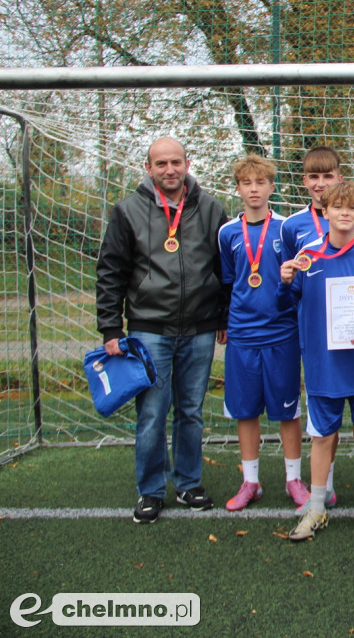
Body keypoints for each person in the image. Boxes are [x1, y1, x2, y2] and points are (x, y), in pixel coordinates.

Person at [96, 137, 227, 524]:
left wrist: (221, 317)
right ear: (149, 167)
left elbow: (225, 269)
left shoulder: (210, 208)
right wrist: (109, 326)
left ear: (188, 163)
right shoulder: (128, 210)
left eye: (175, 162)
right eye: (161, 164)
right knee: (152, 412)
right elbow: (110, 271)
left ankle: (188, 483)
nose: (169, 170)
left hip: (200, 329)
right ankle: (151, 491)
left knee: (191, 411)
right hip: (148, 329)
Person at [278, 181, 354, 541]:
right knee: (322, 435)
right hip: (322, 364)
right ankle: (316, 508)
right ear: (323, 211)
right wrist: (284, 282)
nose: (345, 213)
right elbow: (286, 303)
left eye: (353, 208)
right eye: (337, 207)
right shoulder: (307, 255)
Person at [217, 155, 308, 511]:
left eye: (261, 182)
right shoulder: (227, 233)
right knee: (245, 411)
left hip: (282, 332)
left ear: (272, 187)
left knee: (287, 411)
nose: (254, 189)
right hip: (242, 335)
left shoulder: (286, 229)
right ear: (238, 188)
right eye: (247, 183)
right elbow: (229, 282)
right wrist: (224, 322)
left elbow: (295, 278)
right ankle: (250, 482)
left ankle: (293, 480)